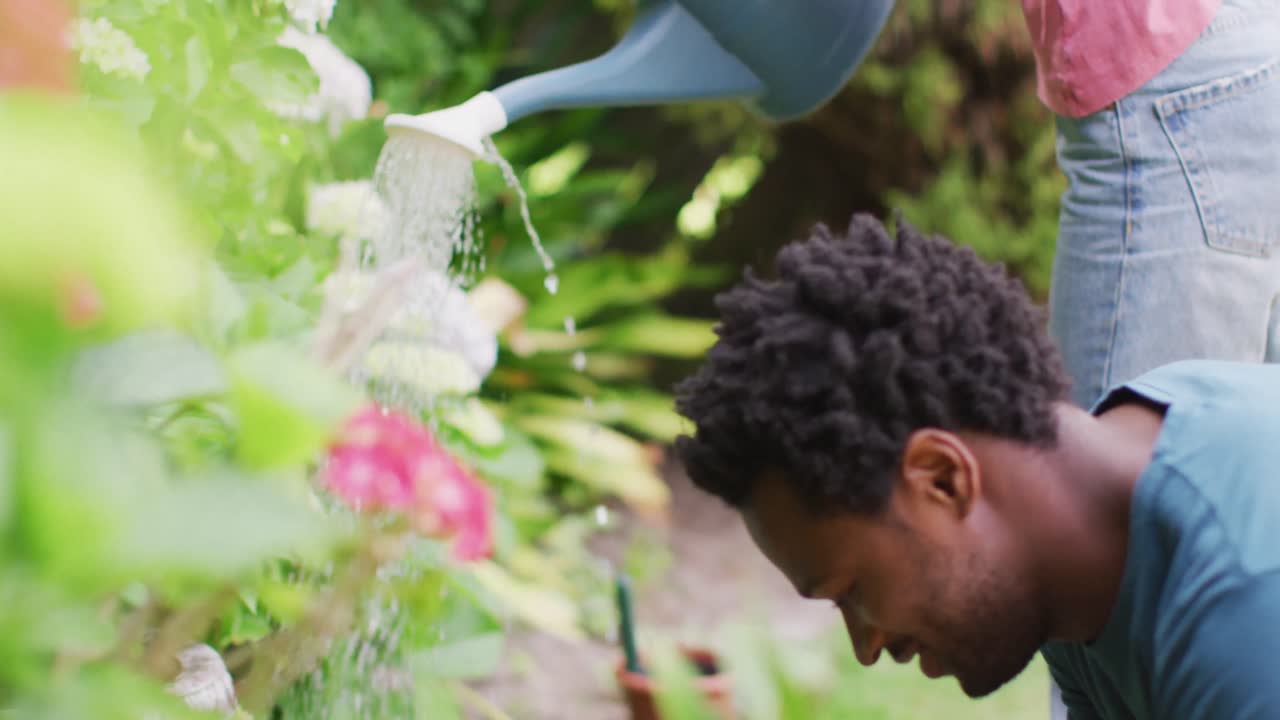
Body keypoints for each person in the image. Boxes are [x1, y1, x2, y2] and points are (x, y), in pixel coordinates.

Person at [673, 214, 1280, 719]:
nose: (866, 646)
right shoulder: (1078, 559)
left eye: (852, 592)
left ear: (942, 477)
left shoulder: (1248, 616)